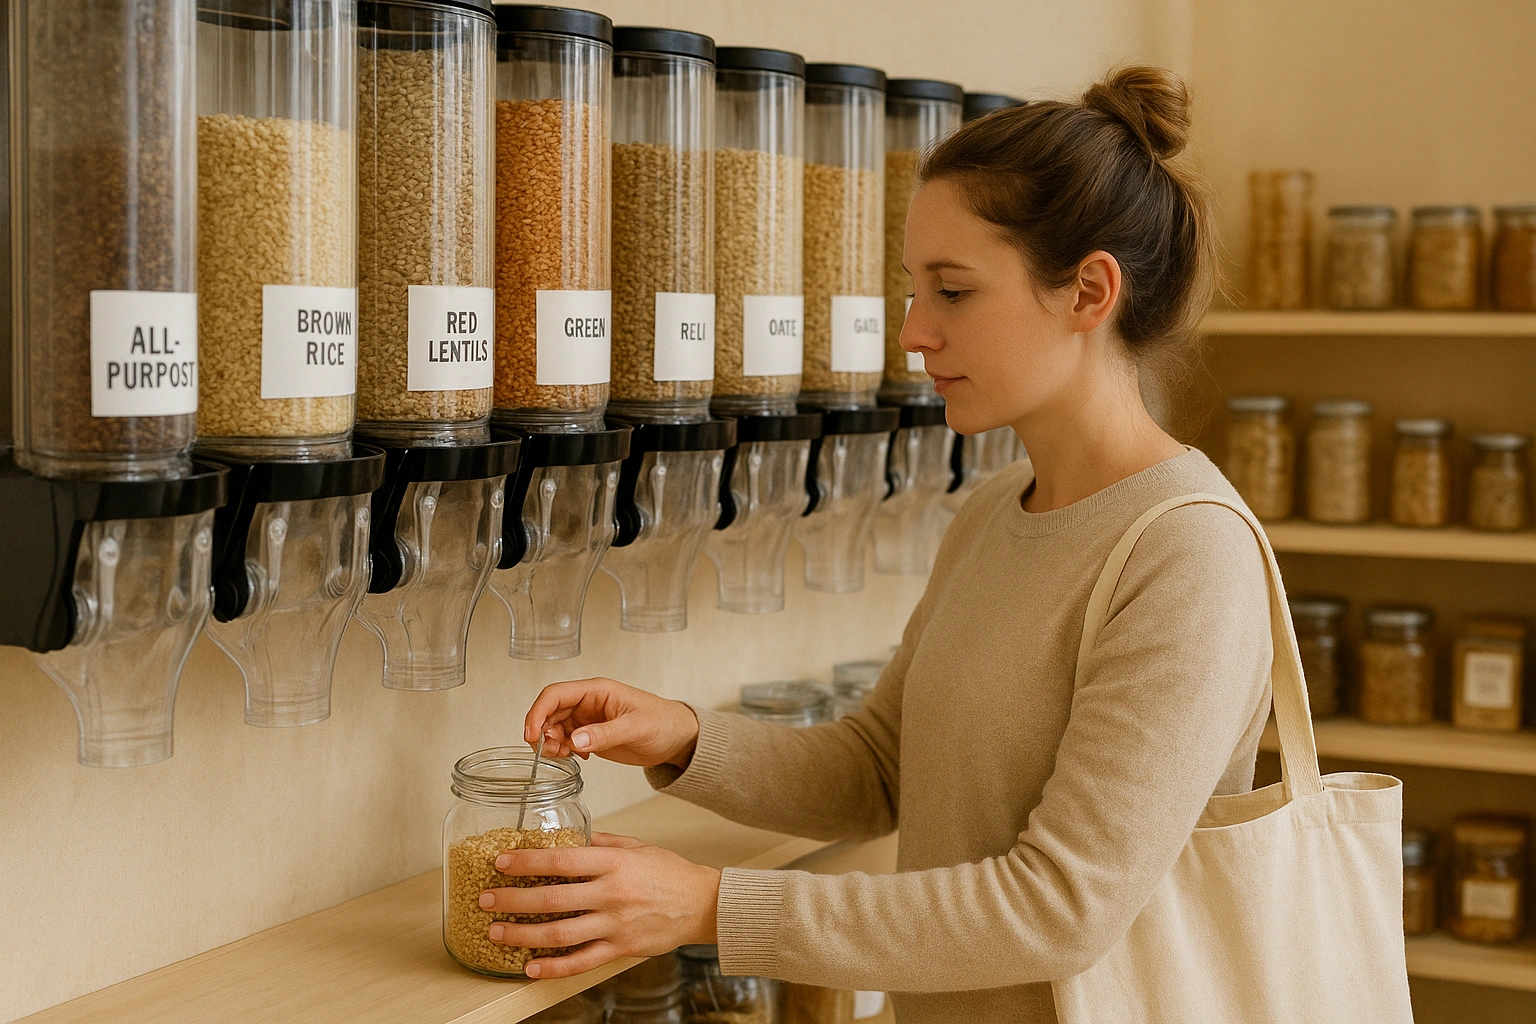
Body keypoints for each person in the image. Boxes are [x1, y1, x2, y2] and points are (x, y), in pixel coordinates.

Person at [479, 65, 1273, 1023]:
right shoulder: (992, 515)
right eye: (913, 289)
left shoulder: (1188, 557)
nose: (914, 332)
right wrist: (686, 736)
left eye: (953, 290)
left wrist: (708, 906)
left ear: (1090, 291)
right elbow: (884, 770)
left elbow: (1059, 909)